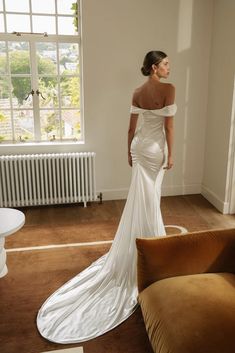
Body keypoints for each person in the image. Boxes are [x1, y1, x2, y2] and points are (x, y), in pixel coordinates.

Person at [36, 50, 177, 344]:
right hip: (155, 150)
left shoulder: (138, 91)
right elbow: (169, 127)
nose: (168, 68)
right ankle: (153, 250)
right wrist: (171, 155)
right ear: (155, 67)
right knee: (151, 198)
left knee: (144, 197)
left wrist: (129, 151)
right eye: (165, 64)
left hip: (140, 148)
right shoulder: (168, 89)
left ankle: (145, 243)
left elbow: (130, 128)